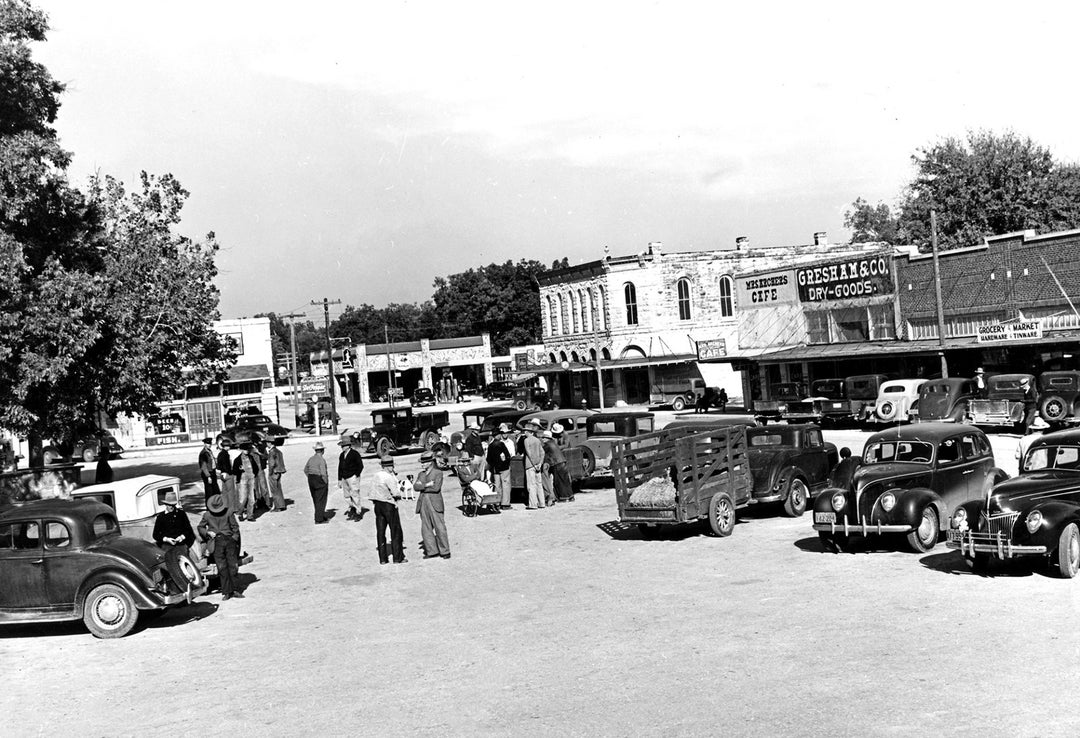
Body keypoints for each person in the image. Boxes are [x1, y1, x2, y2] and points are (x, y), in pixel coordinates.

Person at [199, 494, 243, 600]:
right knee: (222, 568)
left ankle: (235, 590)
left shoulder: (228, 512)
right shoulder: (207, 515)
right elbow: (200, 527)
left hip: (229, 541)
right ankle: (227, 591)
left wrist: (234, 538)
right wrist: (208, 533)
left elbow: (235, 527)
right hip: (216, 542)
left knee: (233, 566)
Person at [152, 488, 196, 583]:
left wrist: (181, 537)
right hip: (167, 546)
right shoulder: (161, 517)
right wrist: (166, 539)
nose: (171, 507)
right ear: (165, 504)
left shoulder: (181, 514)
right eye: (169, 505)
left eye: (173, 505)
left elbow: (188, 530)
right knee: (168, 567)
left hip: (180, 545)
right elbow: (155, 535)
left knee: (183, 566)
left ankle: (186, 583)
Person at [370, 456, 407, 564]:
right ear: (389, 467)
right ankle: (398, 557)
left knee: (380, 532)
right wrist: (399, 494)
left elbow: (371, 492)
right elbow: (395, 493)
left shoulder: (376, 475)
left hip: (378, 505)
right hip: (389, 505)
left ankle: (383, 559)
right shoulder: (389, 477)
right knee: (395, 531)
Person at [414, 452, 450, 559]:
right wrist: (427, 485)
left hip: (434, 502)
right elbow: (415, 487)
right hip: (423, 502)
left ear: (430, 463)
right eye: (422, 463)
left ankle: (445, 551)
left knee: (440, 527)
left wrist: (422, 486)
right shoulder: (421, 474)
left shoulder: (438, 473)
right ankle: (432, 551)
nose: (422, 465)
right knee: (426, 528)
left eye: (424, 463)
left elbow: (436, 488)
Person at [338, 433, 367, 520]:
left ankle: (358, 512)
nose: (342, 447)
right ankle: (352, 508)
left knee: (355, 494)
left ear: (348, 446)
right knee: (346, 496)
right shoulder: (342, 455)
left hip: (352, 477)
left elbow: (360, 465)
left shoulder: (355, 454)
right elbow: (340, 467)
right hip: (344, 478)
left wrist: (356, 475)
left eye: (343, 445)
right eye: (342, 446)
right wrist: (339, 479)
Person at [486, 423, 513, 510]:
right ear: (498, 435)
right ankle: (505, 504)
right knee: (505, 485)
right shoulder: (501, 444)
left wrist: (494, 465)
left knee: (497, 486)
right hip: (504, 468)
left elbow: (488, 459)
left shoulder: (490, 446)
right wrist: (506, 463)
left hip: (495, 469)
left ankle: (497, 502)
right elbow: (507, 455)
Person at [304, 441, 330, 524]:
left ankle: (320, 515)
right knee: (321, 499)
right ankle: (319, 519)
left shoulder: (311, 459)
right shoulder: (321, 460)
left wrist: (310, 477)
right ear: (322, 451)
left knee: (315, 498)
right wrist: (325, 482)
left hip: (311, 479)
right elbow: (323, 473)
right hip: (319, 480)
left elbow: (305, 470)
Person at [232, 442, 259, 521]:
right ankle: (240, 513)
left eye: (247, 449)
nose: (246, 451)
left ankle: (250, 515)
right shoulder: (237, 460)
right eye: (245, 450)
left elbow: (256, 468)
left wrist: (254, 475)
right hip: (242, 480)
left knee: (252, 499)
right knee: (243, 498)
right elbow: (234, 471)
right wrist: (239, 470)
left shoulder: (251, 457)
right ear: (241, 450)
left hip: (251, 479)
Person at [522, 420, 545, 510]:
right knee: (539, 484)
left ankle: (533, 504)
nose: (524, 432)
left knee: (531, 485)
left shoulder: (526, 440)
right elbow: (542, 452)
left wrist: (534, 464)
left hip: (530, 465)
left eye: (525, 431)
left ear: (528, 432)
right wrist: (540, 463)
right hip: (538, 464)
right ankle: (542, 503)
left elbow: (529, 454)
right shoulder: (537, 440)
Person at [548, 424, 574, 501]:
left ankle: (564, 497)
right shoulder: (555, 436)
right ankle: (569, 496)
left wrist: (556, 448)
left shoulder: (565, 434)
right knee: (564, 479)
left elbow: (566, 445)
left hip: (560, 459)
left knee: (560, 480)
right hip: (561, 458)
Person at [217, 439, 239, 514]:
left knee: (224, 492)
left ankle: (225, 507)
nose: (229, 447)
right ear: (225, 446)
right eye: (228, 446)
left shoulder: (220, 454)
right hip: (228, 474)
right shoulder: (225, 454)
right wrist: (231, 472)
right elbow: (227, 466)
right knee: (231, 492)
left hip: (222, 474)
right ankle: (232, 509)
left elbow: (218, 466)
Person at [267, 437, 287, 512]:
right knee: (278, 489)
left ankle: (278, 506)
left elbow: (272, 464)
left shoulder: (272, 452)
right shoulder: (278, 451)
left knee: (274, 490)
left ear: (269, 443)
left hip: (274, 472)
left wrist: (270, 473)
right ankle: (281, 505)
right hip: (279, 471)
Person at [198, 437, 218, 502]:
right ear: (204, 444)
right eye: (207, 443)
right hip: (208, 473)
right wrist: (208, 476)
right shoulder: (203, 453)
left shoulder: (209, 451)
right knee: (209, 491)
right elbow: (203, 466)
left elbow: (213, 461)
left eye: (210, 443)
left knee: (215, 490)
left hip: (212, 472)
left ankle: (214, 505)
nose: (209, 445)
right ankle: (209, 506)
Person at [540, 430, 557, 507]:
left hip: (545, 463)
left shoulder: (546, 445)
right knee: (548, 481)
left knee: (546, 482)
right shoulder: (552, 444)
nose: (542, 439)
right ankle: (552, 497)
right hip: (549, 464)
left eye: (544, 437)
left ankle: (550, 498)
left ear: (547, 438)